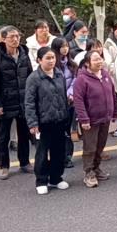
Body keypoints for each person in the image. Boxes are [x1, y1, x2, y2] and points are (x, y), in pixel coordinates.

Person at [24, 46, 70, 195]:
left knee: (59, 151)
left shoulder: (59, 74)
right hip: (43, 122)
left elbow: (63, 96)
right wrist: (33, 123)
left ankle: (56, 178)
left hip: (59, 120)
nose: (51, 61)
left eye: (53, 58)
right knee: (42, 153)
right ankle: (41, 180)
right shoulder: (34, 78)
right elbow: (29, 102)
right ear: (39, 60)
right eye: (47, 58)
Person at [0, 26, 33, 180]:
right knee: (4, 136)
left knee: (24, 134)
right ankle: (4, 166)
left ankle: (25, 162)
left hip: (23, 100)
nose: (15, 39)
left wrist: (31, 99)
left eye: (17, 36)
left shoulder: (24, 55)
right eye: (11, 37)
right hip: (6, 102)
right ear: (3, 39)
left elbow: (31, 78)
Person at [73, 51, 117, 188]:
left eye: (100, 59)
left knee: (100, 146)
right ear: (87, 63)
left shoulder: (105, 74)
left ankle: (96, 168)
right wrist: (84, 119)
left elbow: (112, 94)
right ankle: (89, 173)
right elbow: (78, 101)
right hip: (91, 120)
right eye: (95, 60)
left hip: (105, 117)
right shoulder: (82, 79)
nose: (99, 62)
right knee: (90, 147)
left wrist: (114, 111)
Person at [51, 37, 77, 169]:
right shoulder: (53, 65)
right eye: (62, 46)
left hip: (69, 102)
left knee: (67, 131)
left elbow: (75, 80)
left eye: (66, 46)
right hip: (56, 103)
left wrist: (70, 94)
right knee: (58, 131)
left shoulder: (72, 64)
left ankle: (67, 157)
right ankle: (58, 156)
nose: (65, 49)